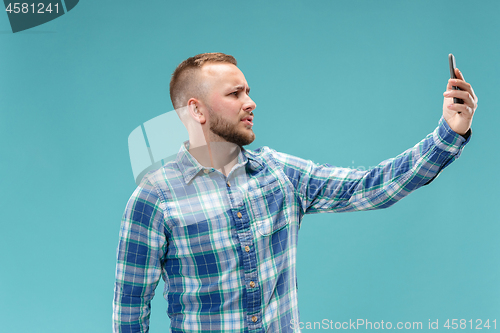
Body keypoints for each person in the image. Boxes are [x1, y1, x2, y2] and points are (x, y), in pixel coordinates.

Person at [112, 53, 477, 332]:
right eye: (235, 93)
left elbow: (371, 186)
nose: (250, 102)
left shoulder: (279, 174)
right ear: (197, 110)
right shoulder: (155, 198)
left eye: (249, 92)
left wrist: (449, 131)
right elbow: (130, 310)